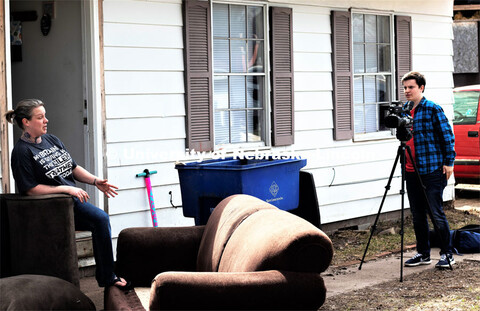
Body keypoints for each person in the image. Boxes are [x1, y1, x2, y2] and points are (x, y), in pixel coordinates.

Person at [5, 98, 131, 289]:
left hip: (70, 203)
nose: (46, 120)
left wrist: (96, 181)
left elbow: (72, 167)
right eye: (40, 117)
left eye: (45, 116)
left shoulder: (51, 139)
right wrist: (66, 188)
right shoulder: (22, 152)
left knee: (101, 219)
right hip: (50, 208)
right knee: (100, 219)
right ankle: (107, 277)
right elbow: (30, 189)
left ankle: (107, 276)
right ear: (26, 122)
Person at [401, 72, 456, 269]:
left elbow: (448, 137)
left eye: (411, 87)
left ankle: (447, 254)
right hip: (410, 169)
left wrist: (449, 163)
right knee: (417, 215)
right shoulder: (404, 111)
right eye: (405, 88)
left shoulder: (432, 109)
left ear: (421, 87)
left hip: (432, 169)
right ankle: (423, 253)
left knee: (435, 212)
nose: (407, 91)